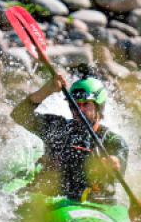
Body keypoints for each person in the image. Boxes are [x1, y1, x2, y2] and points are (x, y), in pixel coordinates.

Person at [10, 67, 128, 203]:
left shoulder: (113, 141)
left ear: (99, 107)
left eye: (86, 104)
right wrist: (47, 89)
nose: (80, 110)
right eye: (75, 105)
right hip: (50, 200)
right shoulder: (58, 128)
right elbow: (19, 114)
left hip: (92, 203)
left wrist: (114, 164)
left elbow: (120, 164)